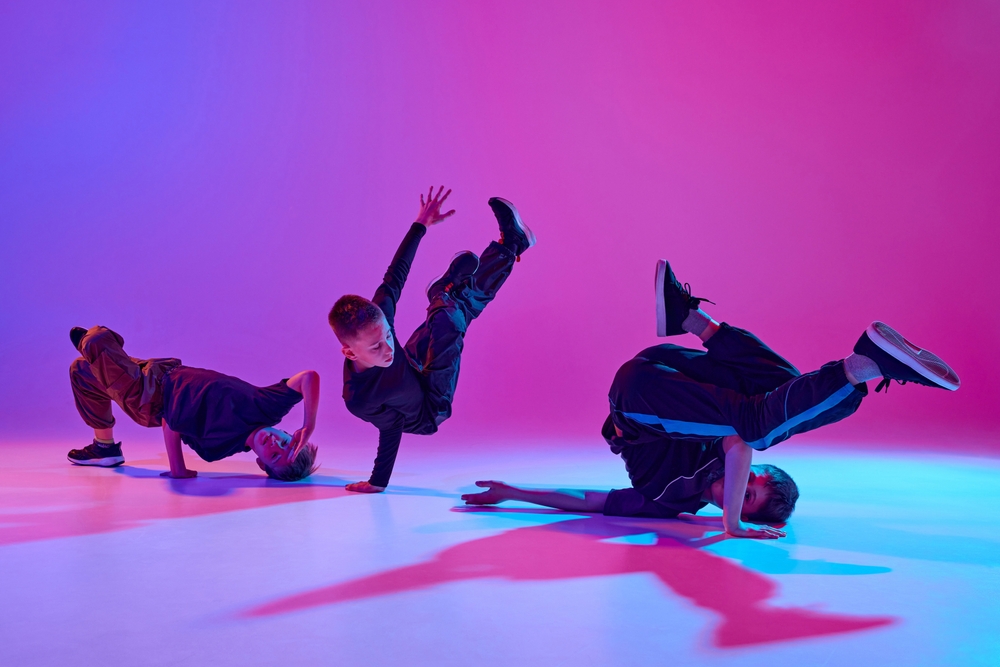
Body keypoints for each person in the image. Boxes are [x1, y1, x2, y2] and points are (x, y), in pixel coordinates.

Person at [464, 259, 960, 538]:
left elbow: (588, 500)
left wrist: (514, 492)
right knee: (774, 398)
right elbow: (742, 447)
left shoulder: (665, 503)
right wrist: (732, 524)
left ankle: (866, 366)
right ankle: (689, 318)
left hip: (636, 404)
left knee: (763, 421)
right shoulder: (724, 452)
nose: (738, 487)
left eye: (747, 497)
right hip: (663, 372)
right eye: (751, 484)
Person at [329, 187, 536, 492]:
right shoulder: (359, 398)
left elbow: (395, 274)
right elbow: (392, 427)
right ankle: (446, 292)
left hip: (412, 364)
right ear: (349, 353)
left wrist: (420, 224)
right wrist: (378, 482)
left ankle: (502, 252)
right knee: (450, 317)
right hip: (429, 407)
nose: (388, 349)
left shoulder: (379, 319)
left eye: (388, 335)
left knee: (451, 312)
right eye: (375, 347)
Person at [67, 325, 320, 481]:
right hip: (160, 370)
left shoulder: (218, 447)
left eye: (274, 455)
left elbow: (171, 421)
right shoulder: (269, 405)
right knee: (82, 371)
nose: (274, 444)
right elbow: (308, 377)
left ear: (261, 463)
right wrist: (308, 425)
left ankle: (91, 342)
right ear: (287, 433)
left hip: (146, 397)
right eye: (285, 442)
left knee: (96, 341)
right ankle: (105, 447)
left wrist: (177, 469)